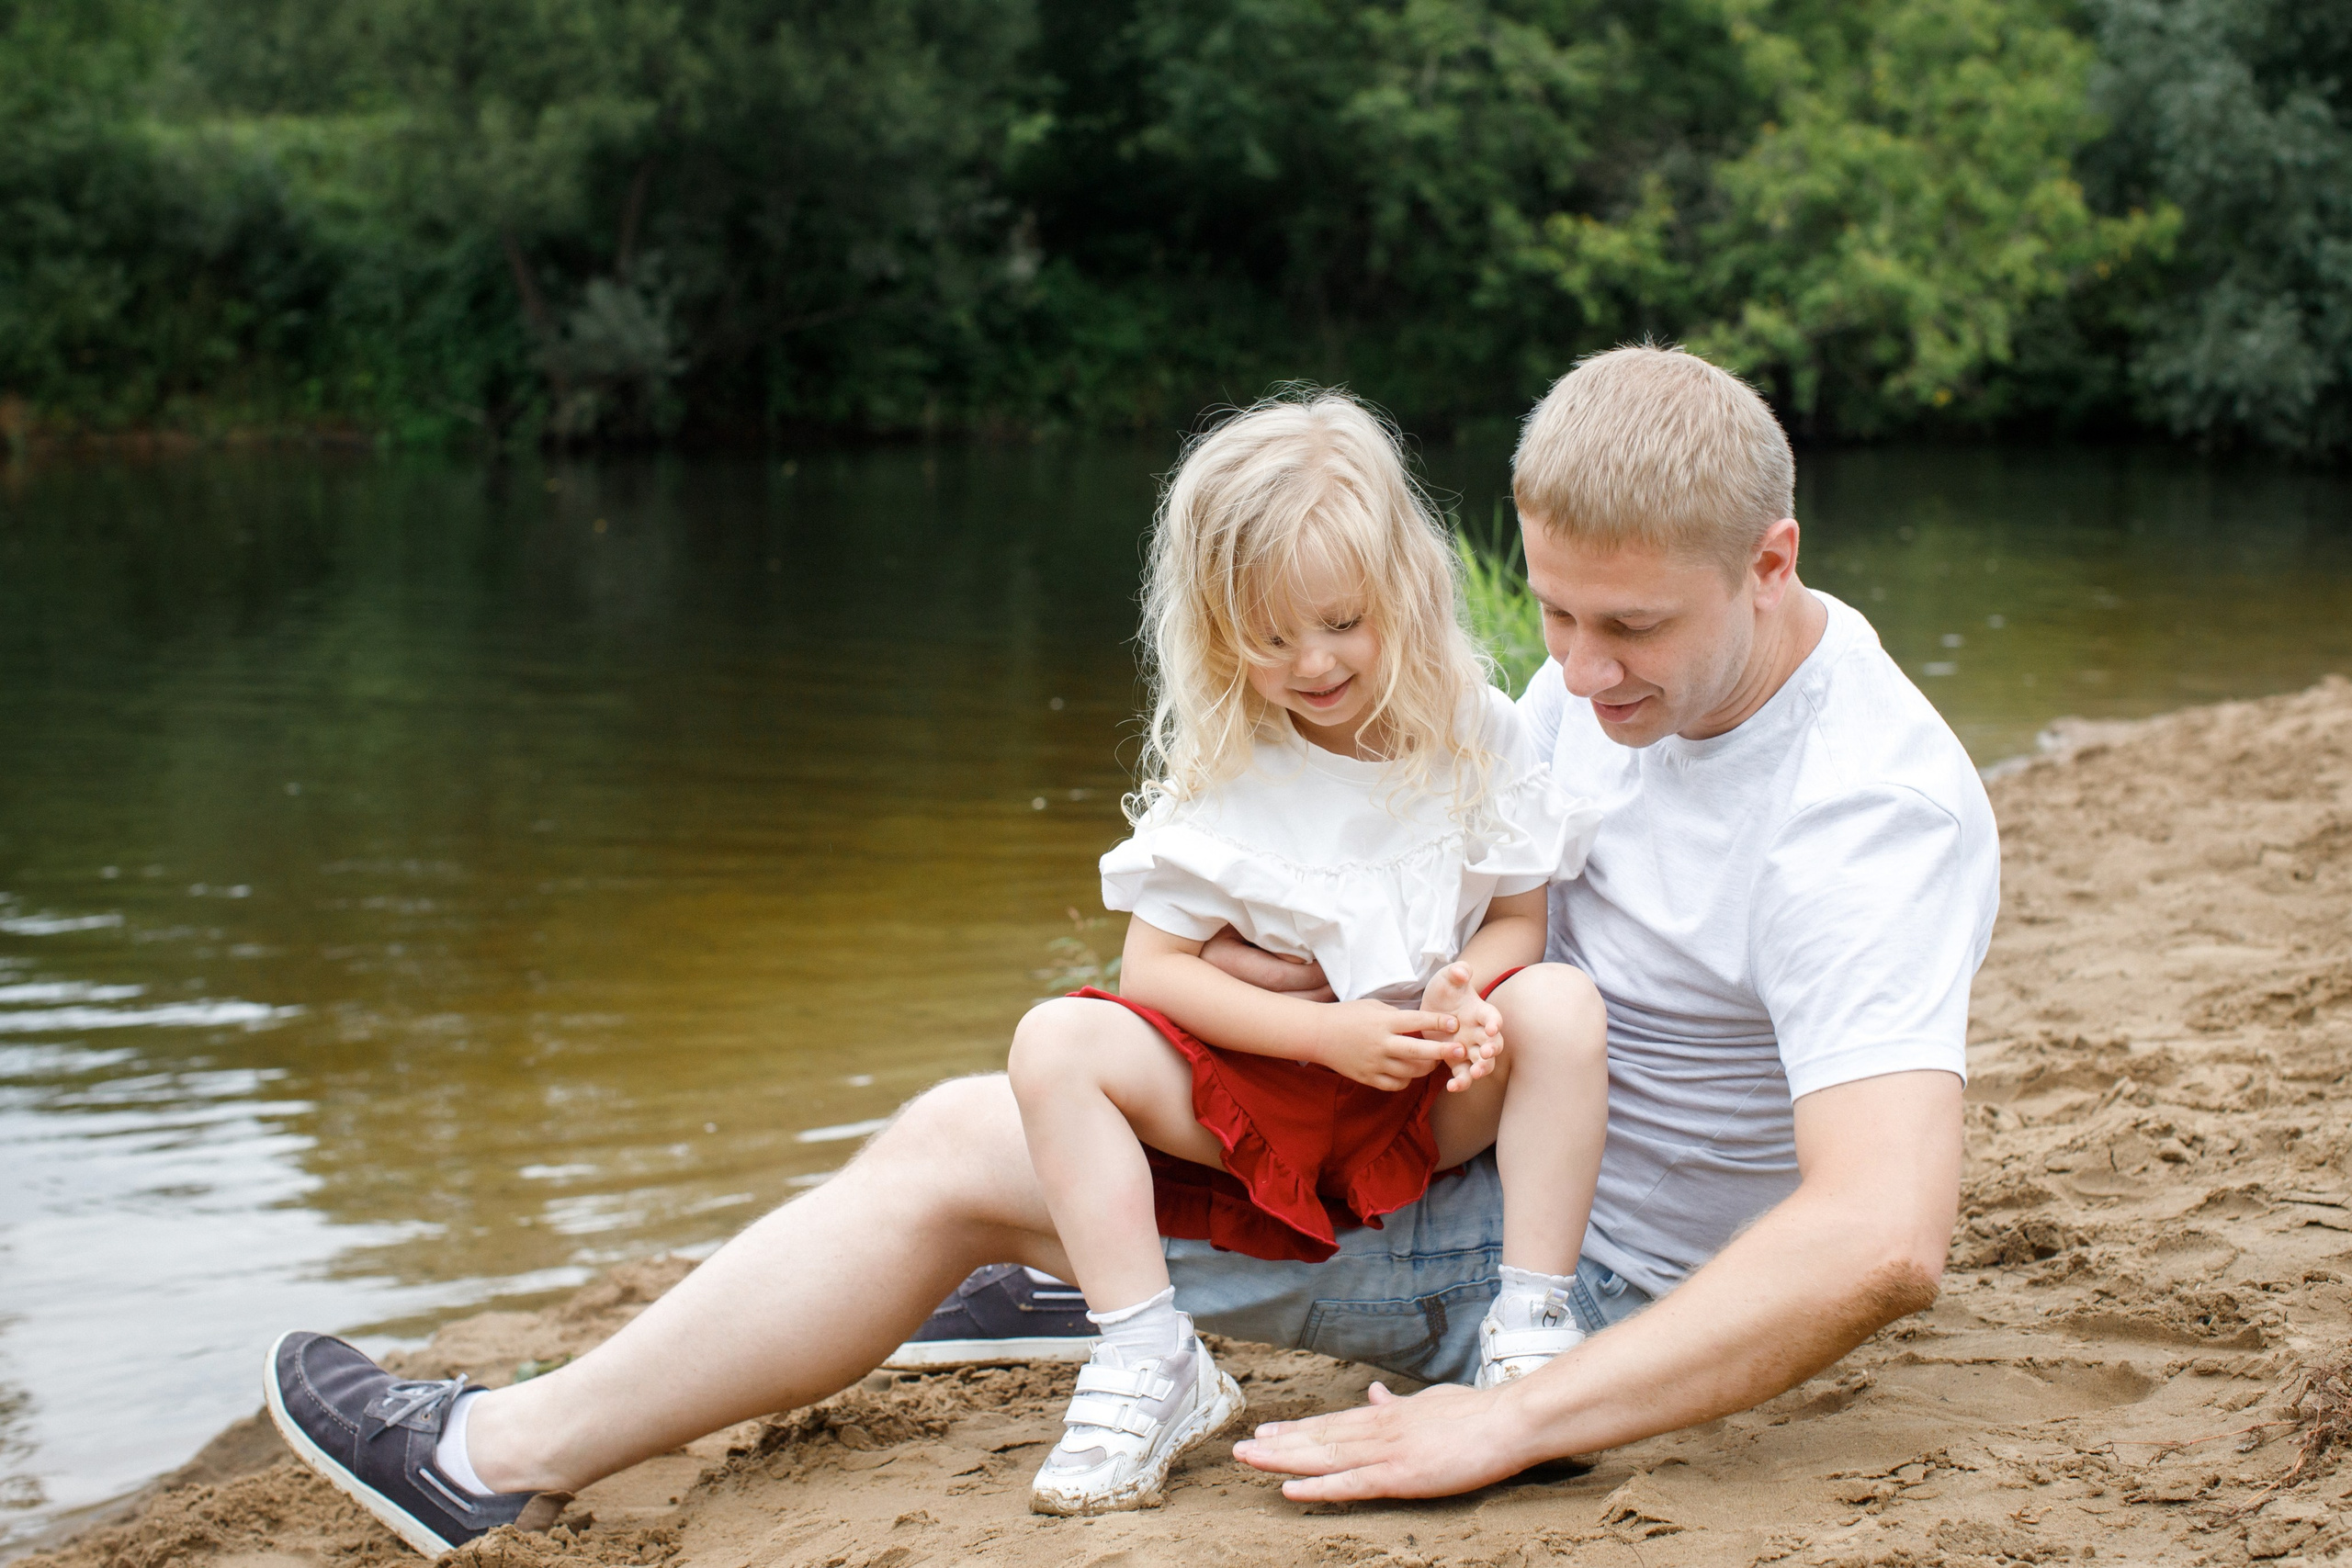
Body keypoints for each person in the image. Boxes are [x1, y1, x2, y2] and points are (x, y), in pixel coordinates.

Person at [263, 346, 1994, 1557]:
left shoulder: (1864, 814)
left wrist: (1512, 1421)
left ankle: (489, 1457)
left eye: (1632, 629)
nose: (1582, 670)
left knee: (950, 1151)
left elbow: (1881, 1237)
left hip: (1596, 1290)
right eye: (1550, 609)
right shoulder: (1591, 677)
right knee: (1069, 1073)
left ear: (1773, 563)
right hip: (1467, 1131)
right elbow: (1490, 890)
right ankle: (1102, 1280)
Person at [1007, 393, 1607, 1515]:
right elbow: (1156, 974)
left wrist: (1465, 992)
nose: (1310, 663)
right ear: (1215, 629)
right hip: (1264, 1098)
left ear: (1405, 590)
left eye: (1340, 622)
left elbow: (1518, 920)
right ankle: (1148, 1353)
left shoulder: (1477, 730)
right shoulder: (1235, 760)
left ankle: (1528, 1322)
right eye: (1268, 637)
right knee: (1054, 1041)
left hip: (1425, 1095)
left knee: (1563, 1005)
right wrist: (1324, 1033)